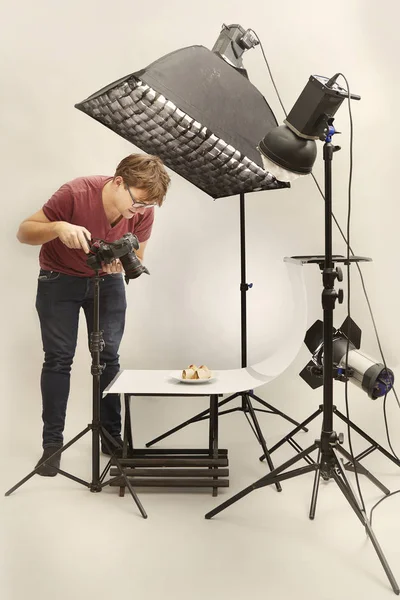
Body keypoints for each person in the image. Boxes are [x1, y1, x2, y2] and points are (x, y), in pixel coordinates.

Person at [17, 154, 171, 476]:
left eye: (147, 207)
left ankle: (109, 437)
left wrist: (120, 263)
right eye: (138, 203)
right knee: (58, 358)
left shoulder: (142, 213)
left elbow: (137, 254)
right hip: (60, 279)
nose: (139, 212)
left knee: (108, 357)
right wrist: (58, 228)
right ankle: (52, 445)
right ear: (118, 182)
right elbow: (25, 232)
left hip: (108, 283)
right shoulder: (76, 193)